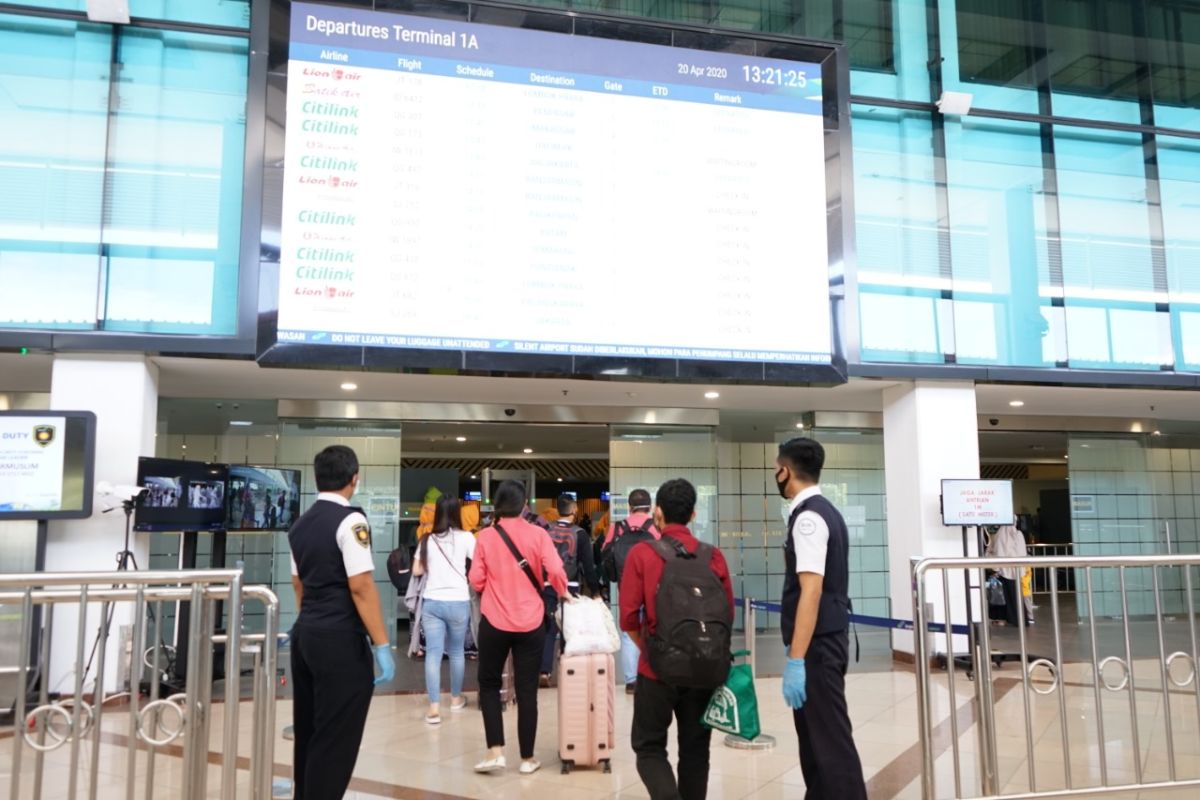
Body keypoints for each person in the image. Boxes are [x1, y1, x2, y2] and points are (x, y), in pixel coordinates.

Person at [288, 445, 396, 800]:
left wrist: (310, 622)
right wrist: (382, 644)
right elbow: (361, 586)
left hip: (306, 634)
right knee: (336, 738)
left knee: (310, 729)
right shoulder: (351, 520)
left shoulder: (300, 524)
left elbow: (298, 583)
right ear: (354, 479)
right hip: (339, 640)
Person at [620, 479, 734, 800]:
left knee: (649, 747)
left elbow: (628, 618)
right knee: (696, 751)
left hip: (657, 672)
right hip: (705, 670)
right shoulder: (714, 557)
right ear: (694, 514)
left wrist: (654, 650)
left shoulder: (642, 554)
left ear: (658, 513)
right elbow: (727, 616)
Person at [775, 437, 866, 800]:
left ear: (786, 471)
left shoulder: (809, 517)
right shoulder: (825, 510)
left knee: (830, 744)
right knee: (815, 742)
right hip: (825, 640)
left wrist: (796, 658)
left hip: (818, 647)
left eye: (775, 469)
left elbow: (811, 591)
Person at [469, 480, 570, 776]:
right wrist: (562, 591)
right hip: (531, 622)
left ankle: (495, 751)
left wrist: (493, 588)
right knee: (527, 690)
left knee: (489, 684)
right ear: (525, 503)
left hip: (494, 622)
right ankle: (527, 758)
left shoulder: (485, 537)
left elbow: (476, 580)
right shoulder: (538, 534)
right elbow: (556, 571)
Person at [412, 495, 476, 724]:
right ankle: (456, 699)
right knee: (457, 652)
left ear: (437, 513)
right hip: (458, 600)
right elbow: (479, 564)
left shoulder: (427, 540)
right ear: (457, 512)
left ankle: (434, 708)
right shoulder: (467, 537)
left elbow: (417, 570)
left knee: (434, 654)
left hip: (433, 602)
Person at [539, 494, 601, 685]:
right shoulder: (580, 534)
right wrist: (596, 591)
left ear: (558, 510)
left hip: (548, 585)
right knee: (569, 628)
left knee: (548, 629)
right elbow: (588, 567)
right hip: (571, 586)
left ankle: (544, 672)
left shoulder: (545, 531)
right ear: (574, 509)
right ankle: (568, 671)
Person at [605, 489, 660, 694]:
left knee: (630, 630)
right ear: (650, 506)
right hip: (652, 585)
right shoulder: (654, 527)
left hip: (626, 585)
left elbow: (606, 553)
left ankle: (631, 680)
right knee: (654, 626)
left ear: (629, 506)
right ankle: (652, 674)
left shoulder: (618, 527)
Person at [987, 524, 1032, 626]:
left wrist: (996, 569)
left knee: (1004, 597)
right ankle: (1021, 619)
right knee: (1016, 596)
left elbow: (998, 552)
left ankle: (1007, 618)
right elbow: (1022, 552)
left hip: (1004, 571)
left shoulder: (1000, 535)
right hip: (1017, 570)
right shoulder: (1019, 534)